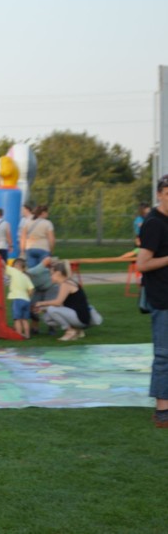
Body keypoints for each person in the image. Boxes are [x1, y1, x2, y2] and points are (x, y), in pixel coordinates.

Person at [136, 175, 168, 428]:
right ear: (159, 194)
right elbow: (143, 264)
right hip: (162, 297)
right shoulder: (154, 223)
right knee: (164, 354)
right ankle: (162, 411)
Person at [35, 262, 103, 341]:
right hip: (83, 317)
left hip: (80, 318)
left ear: (58, 273)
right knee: (47, 318)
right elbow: (63, 305)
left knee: (51, 310)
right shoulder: (69, 282)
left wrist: (41, 303)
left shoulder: (66, 284)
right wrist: (43, 309)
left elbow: (58, 303)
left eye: (52, 274)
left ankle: (70, 331)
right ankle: (77, 330)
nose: (50, 277)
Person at [27, 256, 59, 335]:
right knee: (32, 306)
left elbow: (46, 261)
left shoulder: (32, 272)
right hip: (39, 288)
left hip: (51, 285)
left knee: (49, 306)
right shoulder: (20, 280)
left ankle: (52, 327)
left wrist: (51, 262)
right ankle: (35, 327)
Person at [6, 258, 35, 339]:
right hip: (26, 300)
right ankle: (27, 335)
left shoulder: (14, 271)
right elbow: (31, 289)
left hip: (17, 299)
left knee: (17, 319)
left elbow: (3, 266)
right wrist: (27, 296)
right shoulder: (26, 277)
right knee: (25, 319)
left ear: (16, 266)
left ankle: (18, 334)